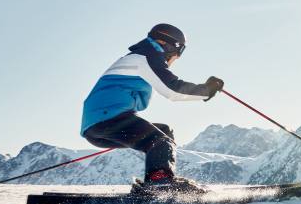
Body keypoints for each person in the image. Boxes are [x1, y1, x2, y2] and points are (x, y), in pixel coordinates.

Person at [80, 23, 223, 195]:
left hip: (101, 123)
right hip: (108, 120)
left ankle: (159, 178)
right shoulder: (148, 56)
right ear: (167, 45)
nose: (175, 60)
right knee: (160, 141)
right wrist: (207, 90)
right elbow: (172, 89)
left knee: (164, 131)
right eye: (177, 54)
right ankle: (159, 184)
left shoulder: (140, 56)